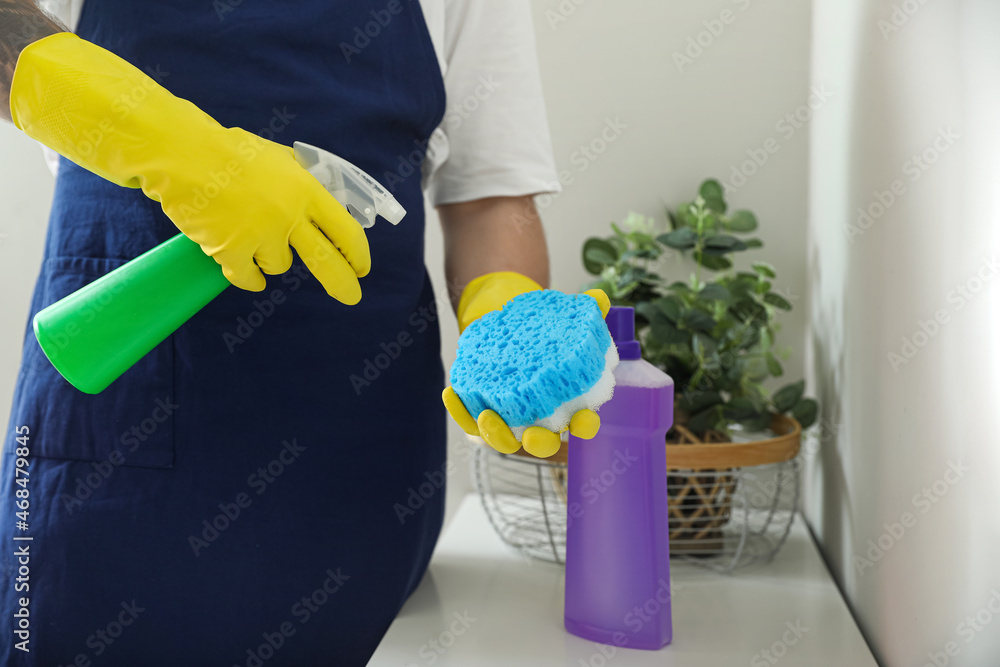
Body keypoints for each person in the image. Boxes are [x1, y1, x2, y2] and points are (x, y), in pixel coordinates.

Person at [0, 0, 602, 663]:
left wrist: (502, 307)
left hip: (355, 457)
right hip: (113, 440)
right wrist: (175, 146)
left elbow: (491, 198)